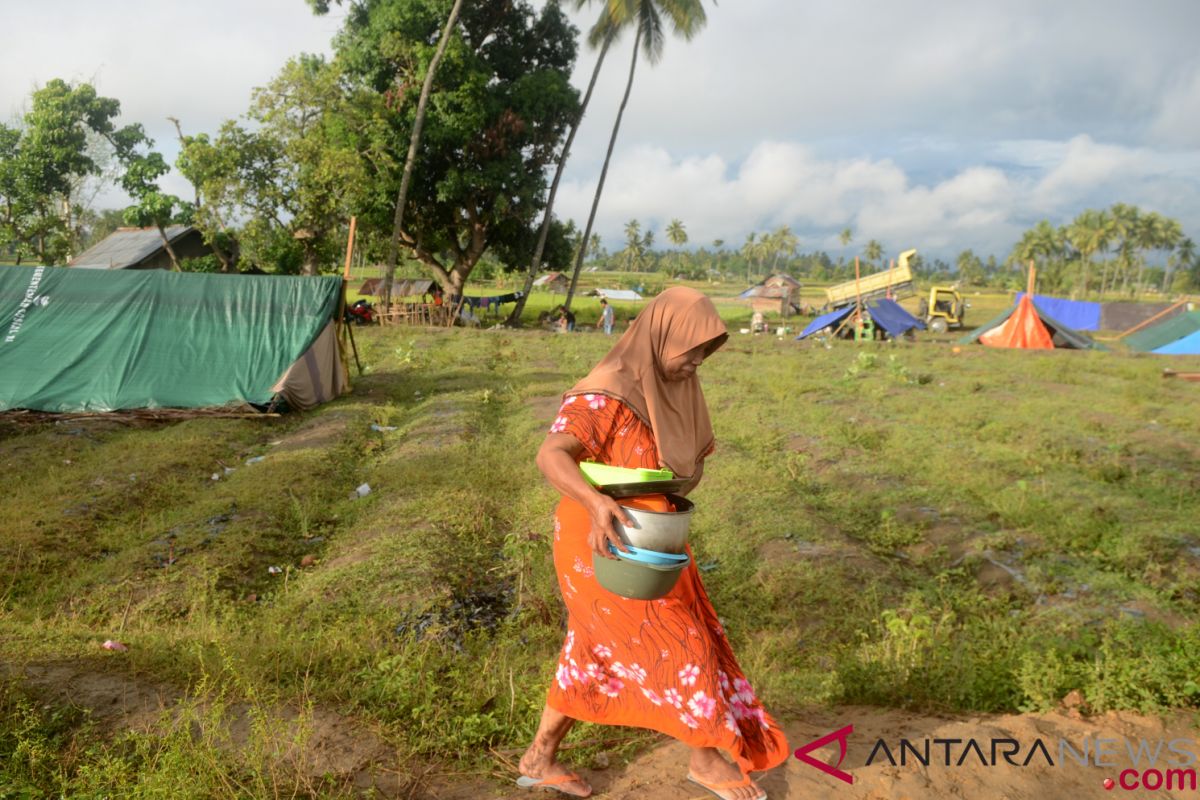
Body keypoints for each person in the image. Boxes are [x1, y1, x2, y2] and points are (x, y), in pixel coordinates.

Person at [517, 287, 788, 800]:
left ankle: (539, 758)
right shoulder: (607, 389)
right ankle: (706, 759)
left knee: (592, 646)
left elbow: (689, 466)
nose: (698, 362)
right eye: (693, 349)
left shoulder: (676, 388)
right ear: (664, 335)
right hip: (597, 536)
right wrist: (600, 503)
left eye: (708, 352)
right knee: (682, 642)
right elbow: (552, 456)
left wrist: (664, 487)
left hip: (651, 538)